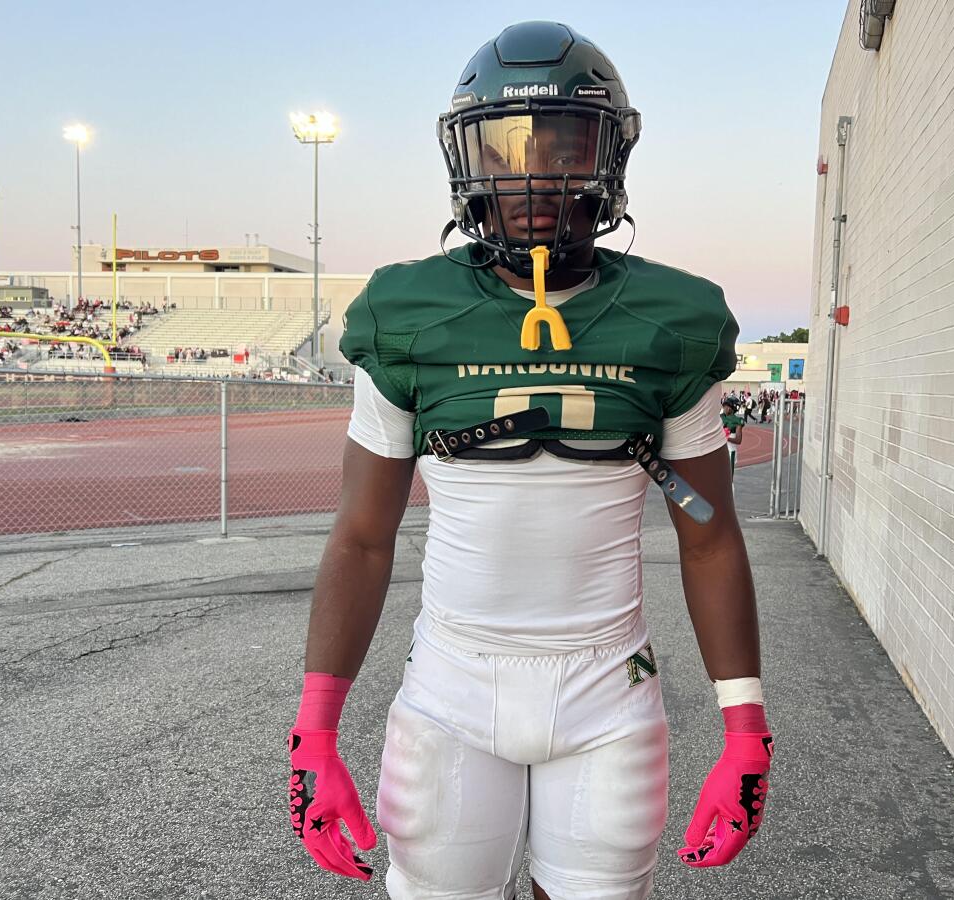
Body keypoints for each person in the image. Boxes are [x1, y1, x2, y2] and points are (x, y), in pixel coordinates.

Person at [289, 21, 772, 900]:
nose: (535, 174)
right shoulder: (408, 312)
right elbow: (363, 538)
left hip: (607, 688)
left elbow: (704, 531)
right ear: (467, 158)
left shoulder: (672, 320)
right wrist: (314, 734)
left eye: (563, 142)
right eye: (507, 146)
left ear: (611, 154)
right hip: (451, 686)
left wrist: (746, 729)